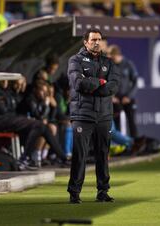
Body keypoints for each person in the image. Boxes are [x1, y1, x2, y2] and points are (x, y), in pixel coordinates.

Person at [67, 28, 118, 204]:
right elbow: (79, 84)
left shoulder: (109, 62)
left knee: (103, 155)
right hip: (82, 115)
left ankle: (103, 192)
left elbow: (113, 86)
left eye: (99, 39)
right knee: (80, 155)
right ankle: (74, 193)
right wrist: (100, 82)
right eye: (93, 39)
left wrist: (93, 84)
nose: (97, 42)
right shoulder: (75, 60)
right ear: (85, 42)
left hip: (104, 116)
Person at [108, 45, 139, 139]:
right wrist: (111, 96)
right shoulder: (110, 65)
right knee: (116, 124)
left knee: (132, 123)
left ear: (117, 55)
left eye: (112, 57)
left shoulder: (128, 64)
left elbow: (135, 82)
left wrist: (129, 96)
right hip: (115, 100)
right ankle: (120, 146)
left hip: (128, 99)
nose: (111, 59)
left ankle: (135, 145)